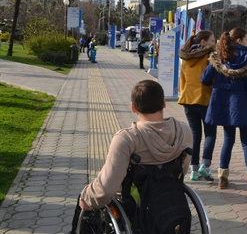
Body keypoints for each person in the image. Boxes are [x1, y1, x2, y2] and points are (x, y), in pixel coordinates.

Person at [78, 80, 193, 210]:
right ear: (164, 103)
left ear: (133, 107)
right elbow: (182, 169)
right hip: (171, 198)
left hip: (137, 206)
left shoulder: (127, 139)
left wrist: (86, 198)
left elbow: (107, 187)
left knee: (86, 198)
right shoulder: (183, 130)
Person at [201, 27, 247, 195]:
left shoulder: (219, 56)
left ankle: (222, 179)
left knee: (228, 140)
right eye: (246, 39)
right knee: (246, 143)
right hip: (243, 107)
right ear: (239, 41)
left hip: (222, 105)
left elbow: (204, 79)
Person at [178, 30, 217, 181]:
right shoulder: (209, 56)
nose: (214, 43)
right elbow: (212, 80)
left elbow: (182, 80)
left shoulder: (186, 57)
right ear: (204, 43)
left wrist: (183, 96)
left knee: (195, 135)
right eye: (212, 41)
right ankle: (205, 166)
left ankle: (194, 171)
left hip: (188, 100)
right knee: (211, 134)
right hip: (205, 100)